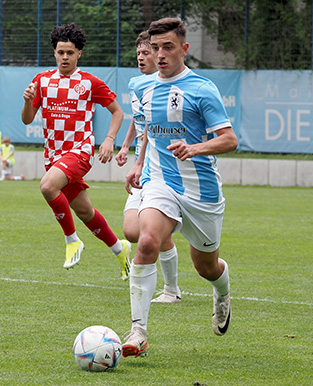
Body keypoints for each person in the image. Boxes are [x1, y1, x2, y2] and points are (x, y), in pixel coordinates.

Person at [122, 18, 238, 357]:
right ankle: (137, 332)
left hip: (202, 194)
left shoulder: (202, 89)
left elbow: (230, 140)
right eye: (155, 47)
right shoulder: (143, 89)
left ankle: (223, 290)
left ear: (183, 49)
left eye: (167, 47)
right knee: (145, 241)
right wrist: (139, 164)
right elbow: (148, 132)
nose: (160, 54)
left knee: (207, 267)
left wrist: (195, 148)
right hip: (161, 183)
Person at [21, 23, 131, 279]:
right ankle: (120, 248)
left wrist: (108, 139)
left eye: (70, 52)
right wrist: (27, 101)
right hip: (53, 156)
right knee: (84, 212)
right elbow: (27, 120)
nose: (65, 57)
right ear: (54, 53)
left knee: (48, 187)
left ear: (79, 53)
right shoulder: (42, 81)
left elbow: (118, 112)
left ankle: (72, 240)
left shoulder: (89, 82)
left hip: (80, 152)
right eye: (60, 52)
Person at [115, 31, 181, 304]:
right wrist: (124, 146)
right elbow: (138, 119)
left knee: (152, 230)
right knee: (131, 230)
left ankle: (171, 289)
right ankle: (155, 260)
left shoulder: (174, 87)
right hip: (143, 163)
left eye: (146, 53)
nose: (142, 58)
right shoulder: (137, 85)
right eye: (139, 53)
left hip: (164, 168)